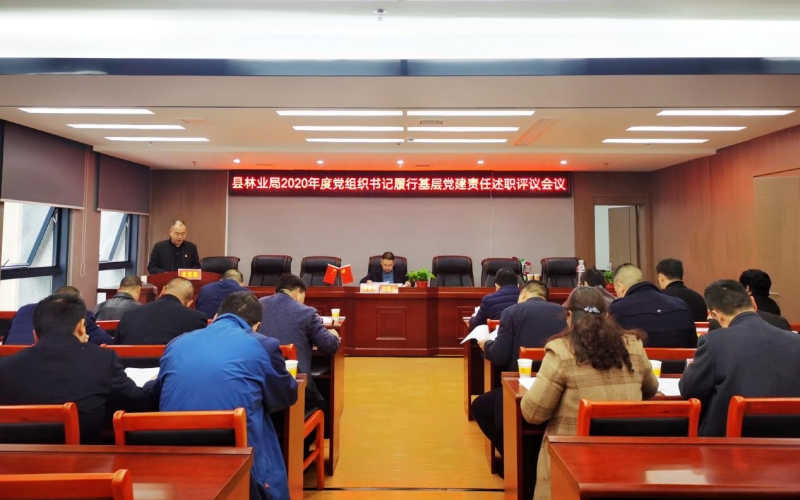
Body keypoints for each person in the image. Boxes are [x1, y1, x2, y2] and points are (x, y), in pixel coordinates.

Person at [151, 291, 297, 500]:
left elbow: (158, 392)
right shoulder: (262, 344)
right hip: (234, 454)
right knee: (261, 421)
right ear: (256, 326)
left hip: (173, 456)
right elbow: (285, 396)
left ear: (216, 316)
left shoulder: (176, 343)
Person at [521, 287, 658, 500]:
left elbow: (533, 413)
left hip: (573, 462)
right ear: (607, 315)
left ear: (569, 316)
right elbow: (651, 389)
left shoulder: (561, 351)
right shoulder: (633, 345)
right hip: (628, 460)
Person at [0, 293, 154, 444]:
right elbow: (138, 402)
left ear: (35, 335)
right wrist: (152, 383)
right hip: (84, 458)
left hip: (13, 458)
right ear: (81, 326)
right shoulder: (102, 361)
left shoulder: (5, 367)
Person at [680, 280, 800, 436]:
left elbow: (689, 389)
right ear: (753, 303)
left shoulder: (713, 342)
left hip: (729, 441)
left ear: (715, 315)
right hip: (791, 439)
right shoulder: (795, 341)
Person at [471, 280, 566, 455]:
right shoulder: (564, 313)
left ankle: (512, 457)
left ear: (523, 294)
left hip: (520, 386)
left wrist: (487, 345)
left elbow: (499, 356)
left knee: (480, 407)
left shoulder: (511, 312)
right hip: (558, 387)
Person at [258, 274, 340, 414]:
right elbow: (329, 346)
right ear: (297, 291)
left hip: (260, 382)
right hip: (294, 385)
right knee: (324, 408)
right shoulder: (307, 312)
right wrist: (334, 336)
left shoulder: (259, 305)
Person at [609, 264, 697, 348]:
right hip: (680, 359)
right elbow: (693, 346)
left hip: (637, 359)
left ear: (620, 286)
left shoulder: (617, 309)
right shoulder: (680, 305)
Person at [5, 286, 113, 346]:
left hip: (7, 359)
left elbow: (7, 338)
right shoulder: (79, 313)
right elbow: (105, 341)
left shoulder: (24, 309)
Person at [116, 277, 207, 344]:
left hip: (131, 364)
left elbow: (117, 346)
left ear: (163, 290)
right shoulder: (196, 319)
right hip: (171, 365)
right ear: (189, 303)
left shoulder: (130, 314)